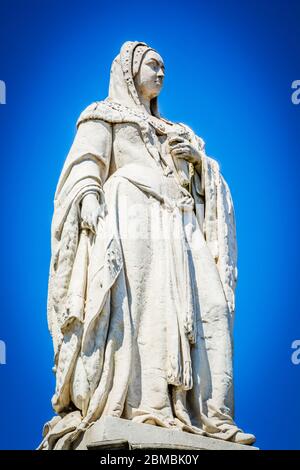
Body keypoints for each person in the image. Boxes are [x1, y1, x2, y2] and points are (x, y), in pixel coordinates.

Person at [39, 41, 255, 450]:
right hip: (131, 218)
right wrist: (88, 196)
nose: (160, 73)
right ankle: (145, 406)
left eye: (164, 68)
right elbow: (86, 163)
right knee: (140, 314)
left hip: (182, 226)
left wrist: (199, 164)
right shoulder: (103, 115)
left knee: (211, 310)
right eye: (153, 65)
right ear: (129, 69)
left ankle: (209, 415)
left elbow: (210, 187)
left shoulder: (178, 131)